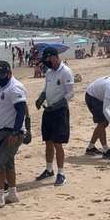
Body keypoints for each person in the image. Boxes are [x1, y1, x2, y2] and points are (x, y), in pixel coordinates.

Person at [0, 61, 30, 209]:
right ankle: (12, 193)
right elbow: (0, 107)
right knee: (8, 163)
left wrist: (16, 132)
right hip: (2, 130)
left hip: (11, 132)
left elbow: (21, 110)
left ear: (9, 73)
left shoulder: (14, 88)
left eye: (2, 76)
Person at [34, 47, 74, 186]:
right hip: (48, 110)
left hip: (60, 111)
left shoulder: (66, 72)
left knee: (58, 143)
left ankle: (61, 173)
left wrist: (57, 105)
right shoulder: (49, 73)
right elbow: (46, 89)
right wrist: (41, 98)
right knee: (48, 141)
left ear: (54, 57)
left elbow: (70, 94)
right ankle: (49, 169)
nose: (47, 63)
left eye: (48, 59)